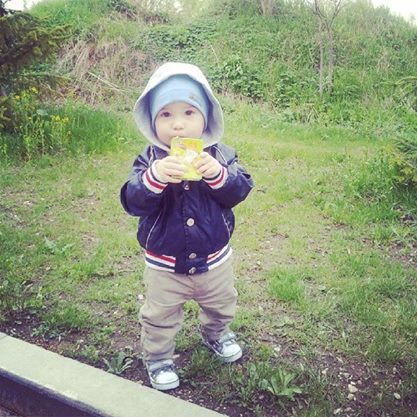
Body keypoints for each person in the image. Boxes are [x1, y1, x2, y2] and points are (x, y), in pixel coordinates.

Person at [120, 62, 253, 391]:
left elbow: (240, 190)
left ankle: (216, 333)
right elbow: (132, 201)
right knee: (159, 315)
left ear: (205, 118)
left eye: (189, 113)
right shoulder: (150, 160)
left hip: (214, 260)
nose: (177, 124)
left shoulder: (220, 156)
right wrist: (154, 178)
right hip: (164, 265)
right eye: (165, 114)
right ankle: (158, 357)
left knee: (222, 304)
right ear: (153, 121)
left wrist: (218, 175)